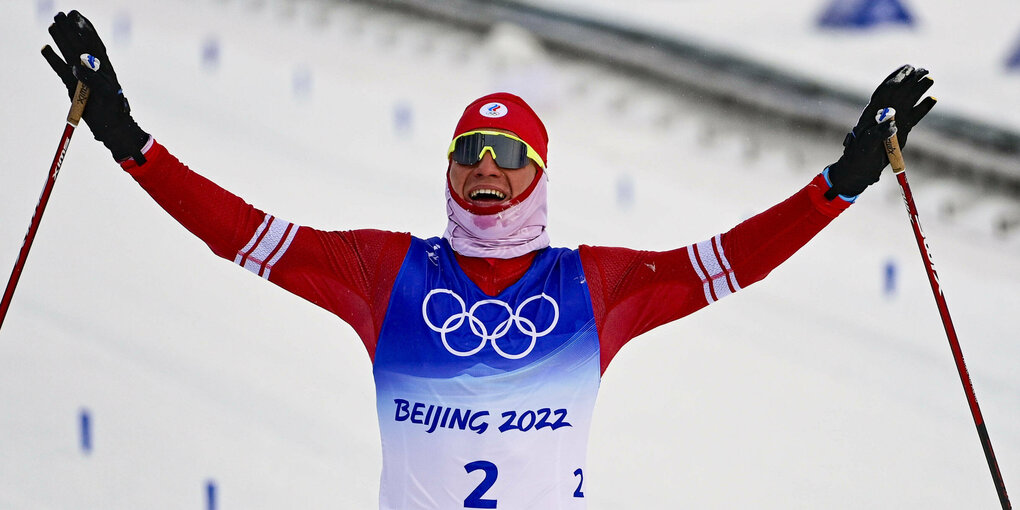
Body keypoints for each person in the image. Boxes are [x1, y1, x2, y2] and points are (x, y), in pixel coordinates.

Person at [43, 10, 936, 510]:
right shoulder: (384, 274)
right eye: (468, 150)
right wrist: (127, 138)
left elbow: (730, 262)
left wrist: (843, 181)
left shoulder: (597, 286)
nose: (484, 168)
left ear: (539, 177)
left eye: (509, 156)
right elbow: (240, 233)